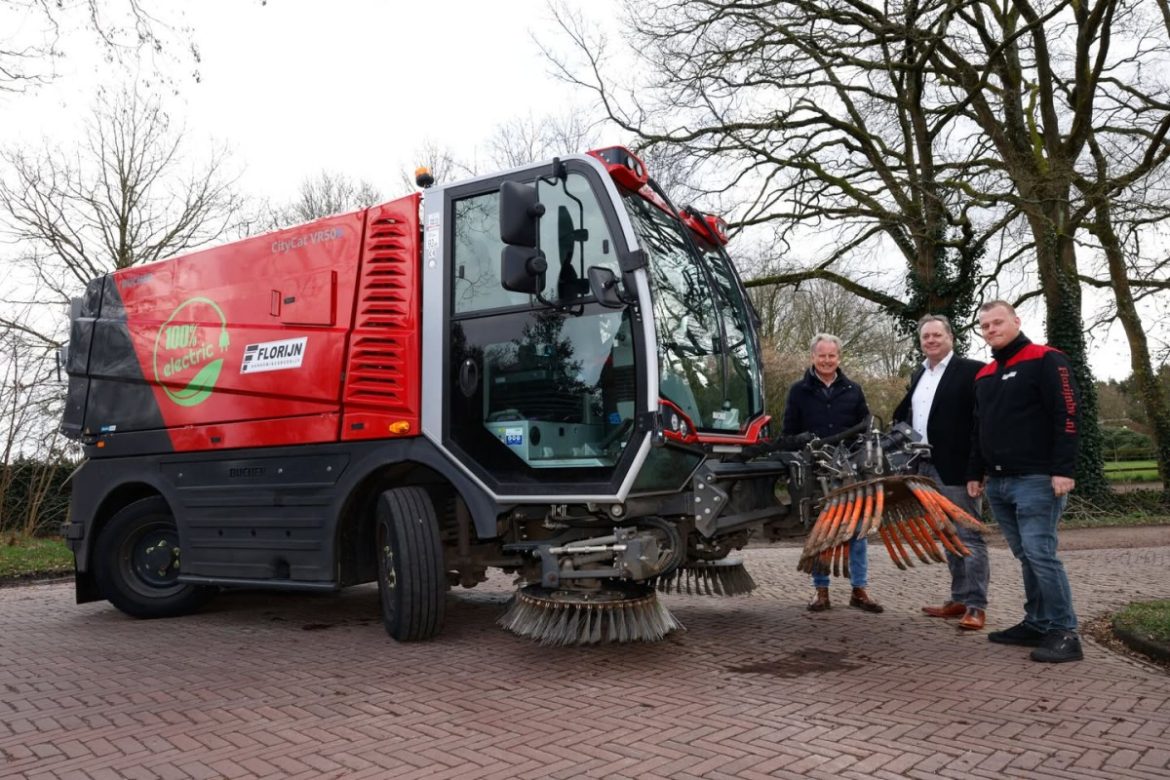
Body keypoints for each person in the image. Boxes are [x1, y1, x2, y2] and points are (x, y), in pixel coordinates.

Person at [966, 301, 1082, 663]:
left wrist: (1064, 468)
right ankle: (1037, 621)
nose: (991, 330)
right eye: (985, 326)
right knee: (1026, 555)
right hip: (999, 483)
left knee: (1040, 554)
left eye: (998, 322)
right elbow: (979, 428)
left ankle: (1065, 632)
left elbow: (1068, 412)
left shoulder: (1048, 359)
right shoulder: (984, 376)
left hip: (1037, 479)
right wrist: (975, 472)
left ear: (1016, 321)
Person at [892, 314, 989, 630]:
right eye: (925, 337)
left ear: (951, 337)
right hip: (923, 466)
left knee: (968, 536)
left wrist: (977, 469)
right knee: (947, 535)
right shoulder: (920, 374)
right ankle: (959, 598)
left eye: (937, 335)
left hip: (957, 468)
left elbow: (980, 425)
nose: (931, 340)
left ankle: (976, 606)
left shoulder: (971, 371)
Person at [782, 333, 882, 614]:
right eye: (822, 355)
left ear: (839, 357)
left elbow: (864, 429)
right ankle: (821, 590)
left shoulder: (853, 390)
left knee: (858, 532)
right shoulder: (798, 391)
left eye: (832, 356)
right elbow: (788, 432)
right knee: (821, 531)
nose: (827, 361)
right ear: (813, 357)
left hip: (849, 471)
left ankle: (859, 590)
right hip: (815, 471)